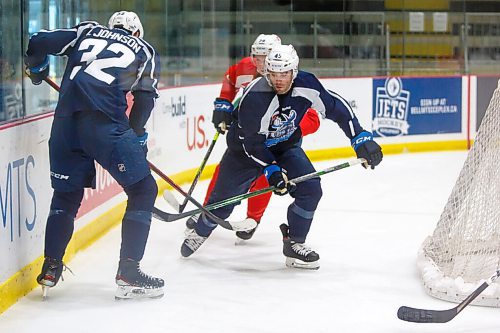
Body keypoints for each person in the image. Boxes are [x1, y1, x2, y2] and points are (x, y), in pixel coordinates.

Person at [181, 44, 383, 269]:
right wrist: (273, 170)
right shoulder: (256, 95)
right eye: (273, 74)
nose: (279, 80)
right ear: (266, 71)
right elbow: (253, 144)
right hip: (244, 153)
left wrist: (360, 138)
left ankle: (294, 243)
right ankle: (200, 231)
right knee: (222, 205)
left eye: (284, 74)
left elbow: (337, 108)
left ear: (294, 72)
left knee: (310, 189)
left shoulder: (307, 84)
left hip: (285, 146)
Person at [25, 11, 164, 299]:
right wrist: (137, 137)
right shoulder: (145, 50)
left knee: (65, 195)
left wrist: (36, 68)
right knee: (143, 189)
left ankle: (51, 266)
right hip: (105, 125)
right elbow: (144, 100)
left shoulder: (87, 31)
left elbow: (38, 40)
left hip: (64, 124)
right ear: (137, 33)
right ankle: (128, 272)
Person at [191, 34, 320, 241]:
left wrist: (284, 130)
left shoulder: (291, 81)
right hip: (248, 139)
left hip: (276, 144)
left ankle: (253, 219)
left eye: (265, 57)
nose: (260, 62)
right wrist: (223, 104)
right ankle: (208, 211)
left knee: (265, 176)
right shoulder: (245, 67)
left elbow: (313, 119)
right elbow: (230, 80)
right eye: (256, 57)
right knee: (224, 171)